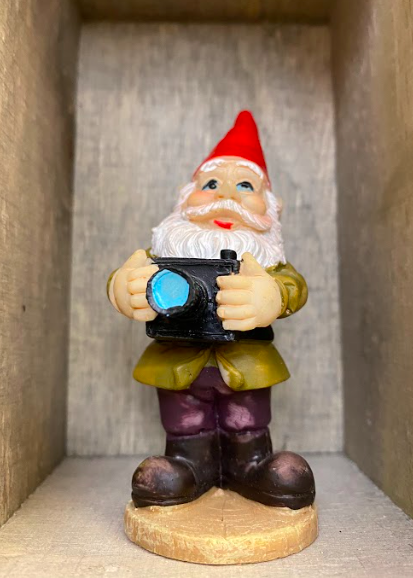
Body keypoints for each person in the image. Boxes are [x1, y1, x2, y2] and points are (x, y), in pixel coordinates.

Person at [108, 111, 315, 510]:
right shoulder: (166, 247)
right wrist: (124, 287)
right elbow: (132, 273)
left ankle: (252, 465)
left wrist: (270, 297)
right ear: (184, 197)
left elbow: (294, 286)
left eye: (245, 185)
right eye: (211, 184)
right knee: (184, 422)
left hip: (245, 364)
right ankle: (187, 463)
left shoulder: (266, 257)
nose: (227, 196)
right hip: (178, 362)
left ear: (273, 207)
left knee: (246, 421)